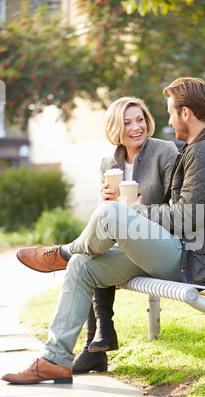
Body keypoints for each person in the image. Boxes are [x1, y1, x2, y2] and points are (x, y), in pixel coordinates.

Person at [1, 77, 205, 385]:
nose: (168, 120)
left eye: (171, 112)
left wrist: (135, 212)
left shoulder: (204, 152)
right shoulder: (198, 149)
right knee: (83, 266)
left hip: (195, 258)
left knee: (111, 212)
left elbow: (188, 219)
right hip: (185, 250)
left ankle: (62, 253)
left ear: (185, 113)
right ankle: (55, 359)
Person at [72, 97, 177, 374]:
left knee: (87, 253)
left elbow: (178, 210)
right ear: (115, 128)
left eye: (140, 119)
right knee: (88, 258)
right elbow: (105, 221)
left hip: (159, 244)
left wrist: (138, 209)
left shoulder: (165, 151)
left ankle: (100, 334)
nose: (136, 127)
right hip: (124, 245)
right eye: (127, 122)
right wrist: (104, 200)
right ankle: (98, 339)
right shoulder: (109, 162)